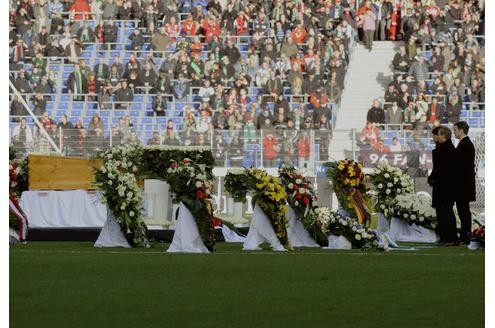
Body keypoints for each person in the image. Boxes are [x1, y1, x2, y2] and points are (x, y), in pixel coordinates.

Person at [428, 126, 457, 246]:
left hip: (444, 186)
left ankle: (448, 238)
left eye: (436, 135)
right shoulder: (443, 148)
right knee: (443, 211)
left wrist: (432, 178)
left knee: (445, 211)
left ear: (443, 135)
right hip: (443, 185)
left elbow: (440, 168)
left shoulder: (445, 150)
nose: (434, 137)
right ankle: (447, 237)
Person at [453, 121, 476, 245]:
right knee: (463, 210)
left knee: (464, 211)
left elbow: (461, 166)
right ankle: (465, 235)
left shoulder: (465, 144)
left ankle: (466, 236)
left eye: (455, 130)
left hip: (463, 185)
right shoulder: (464, 143)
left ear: (461, 130)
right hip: (463, 184)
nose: (454, 132)